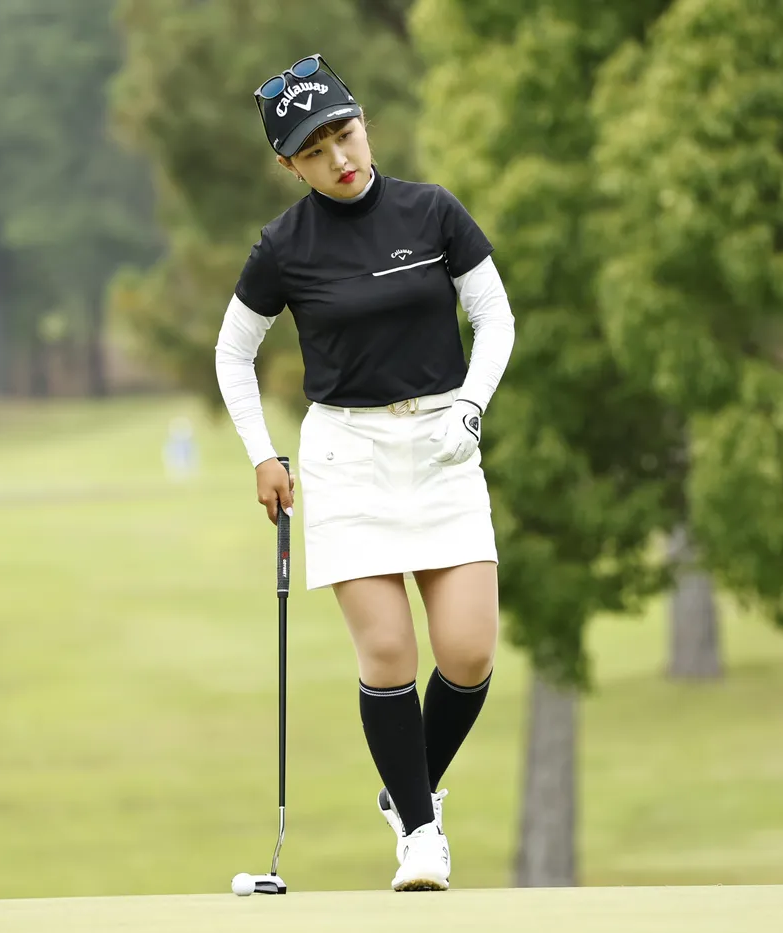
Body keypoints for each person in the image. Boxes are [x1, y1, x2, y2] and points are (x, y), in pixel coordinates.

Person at [214, 53, 515, 892]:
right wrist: (262, 453)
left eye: (344, 135)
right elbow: (234, 353)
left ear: (363, 124)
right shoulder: (284, 245)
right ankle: (420, 832)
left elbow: (493, 315)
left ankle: (402, 787)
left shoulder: (432, 210)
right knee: (388, 652)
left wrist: (473, 404)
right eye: (314, 152)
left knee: (468, 652)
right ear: (291, 166)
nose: (339, 159)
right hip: (348, 459)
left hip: (444, 444)